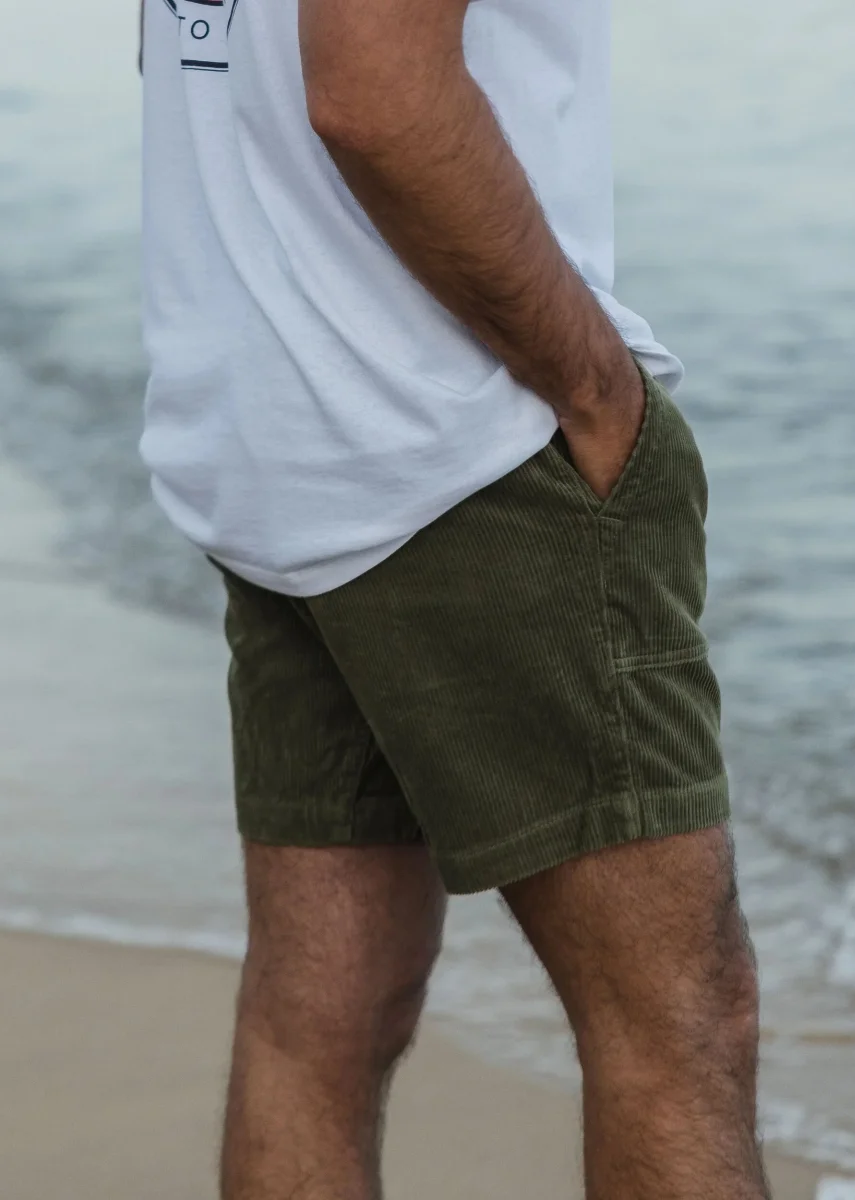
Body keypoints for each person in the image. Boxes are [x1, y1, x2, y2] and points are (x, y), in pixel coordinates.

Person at [139, 0, 769, 1196]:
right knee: (679, 1020)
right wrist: (595, 389)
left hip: (270, 419)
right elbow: (371, 89)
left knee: (318, 1018)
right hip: (455, 438)